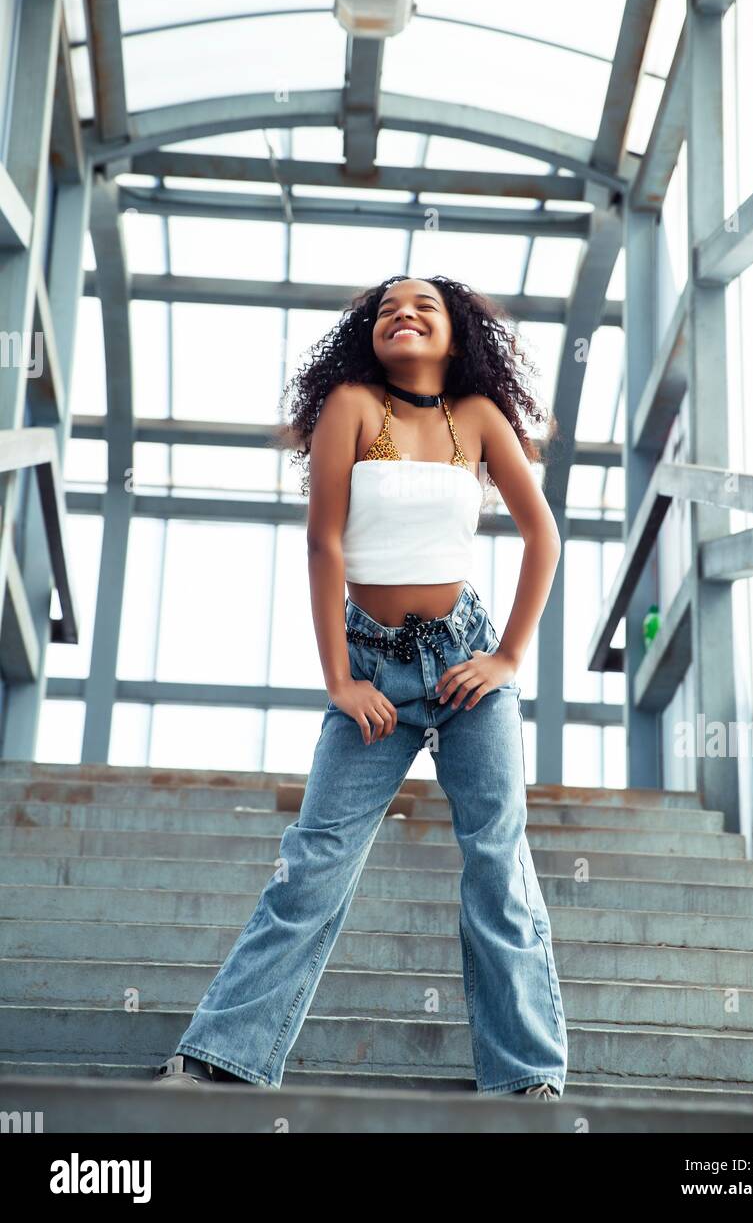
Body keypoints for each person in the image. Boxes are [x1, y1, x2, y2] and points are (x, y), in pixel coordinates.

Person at [155, 274, 569, 1098]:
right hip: (372, 666)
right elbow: (325, 547)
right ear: (368, 334)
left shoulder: (479, 419)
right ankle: (223, 1057)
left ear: (456, 335)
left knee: (496, 858)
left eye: (424, 307)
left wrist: (508, 659)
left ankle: (527, 1078)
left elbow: (542, 535)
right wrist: (339, 681)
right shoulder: (350, 404)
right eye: (386, 309)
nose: (402, 315)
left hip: (464, 665)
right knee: (315, 858)